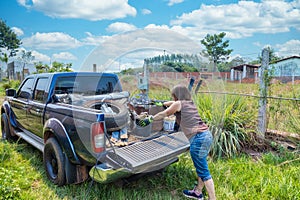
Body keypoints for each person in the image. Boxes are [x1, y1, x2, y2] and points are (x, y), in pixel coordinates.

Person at [151, 84, 216, 200]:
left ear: (176, 95)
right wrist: (160, 103)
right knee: (201, 167)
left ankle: (213, 198)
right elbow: (169, 103)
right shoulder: (189, 103)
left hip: (198, 139)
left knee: (204, 173)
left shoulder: (178, 104)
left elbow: (164, 114)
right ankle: (198, 192)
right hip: (206, 135)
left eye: (173, 95)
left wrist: (149, 119)